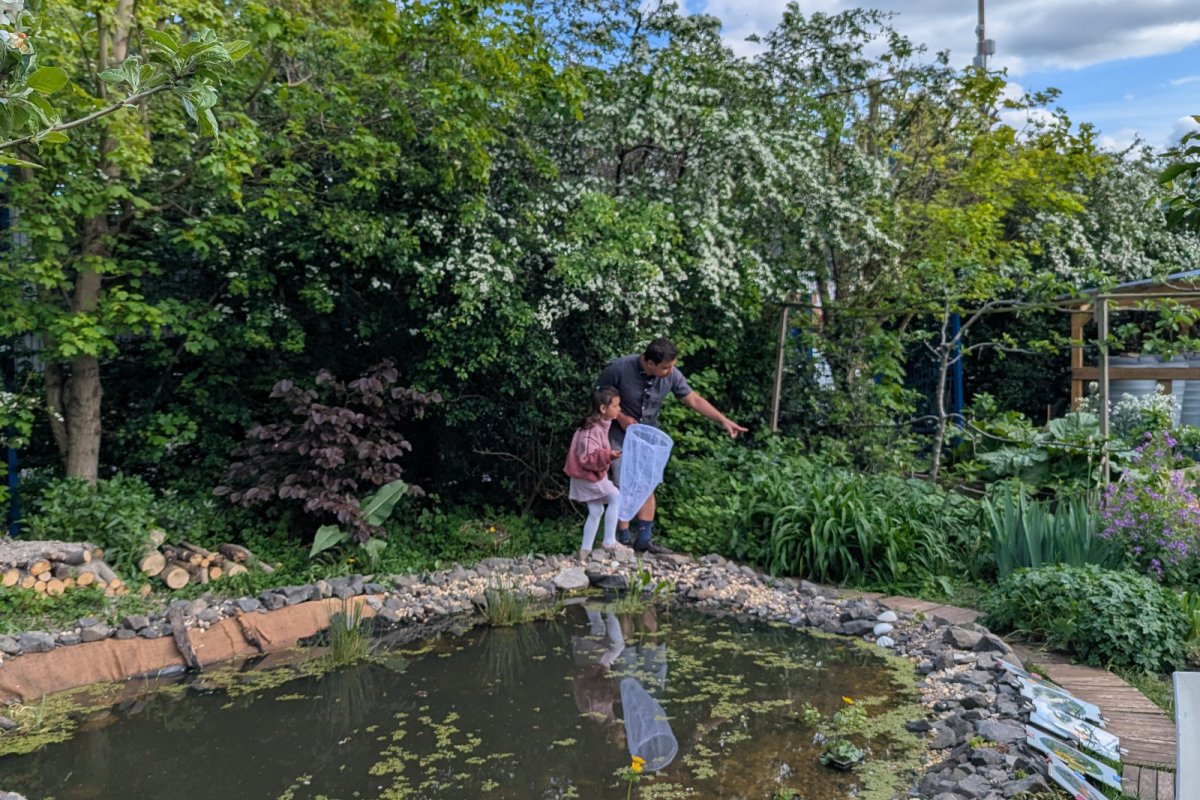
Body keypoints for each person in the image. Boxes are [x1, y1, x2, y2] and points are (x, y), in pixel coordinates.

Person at [599, 337, 747, 552]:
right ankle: (622, 538)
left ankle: (644, 540)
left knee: (647, 483)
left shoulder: (672, 375)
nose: (671, 371)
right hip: (619, 434)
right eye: (666, 367)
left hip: (649, 435)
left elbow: (694, 400)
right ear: (650, 364)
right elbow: (599, 398)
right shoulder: (619, 368)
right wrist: (620, 417)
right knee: (624, 483)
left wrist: (723, 420)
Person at [563, 386, 630, 558]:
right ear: (603, 409)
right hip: (587, 476)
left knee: (596, 510)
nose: (619, 409)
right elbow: (586, 457)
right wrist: (608, 455)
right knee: (615, 496)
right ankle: (609, 541)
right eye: (615, 406)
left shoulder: (597, 426)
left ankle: (585, 549)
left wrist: (607, 455)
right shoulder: (591, 430)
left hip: (583, 476)